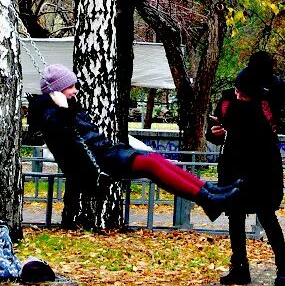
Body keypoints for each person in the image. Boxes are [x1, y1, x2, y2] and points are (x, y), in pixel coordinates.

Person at [29, 64, 243, 221]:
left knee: (155, 159)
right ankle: (208, 198)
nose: (75, 90)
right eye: (70, 87)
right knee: (151, 165)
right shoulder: (50, 113)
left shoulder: (62, 107)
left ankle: (211, 193)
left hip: (105, 152)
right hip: (97, 164)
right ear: (56, 90)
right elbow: (67, 138)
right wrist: (64, 109)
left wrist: (66, 106)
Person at [211, 51, 285, 286]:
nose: (238, 95)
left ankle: (283, 266)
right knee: (235, 217)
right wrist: (215, 134)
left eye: (243, 93)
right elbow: (216, 130)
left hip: (263, 166)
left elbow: (274, 126)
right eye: (237, 90)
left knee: (267, 215)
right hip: (234, 165)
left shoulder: (268, 104)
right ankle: (239, 267)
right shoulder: (227, 100)